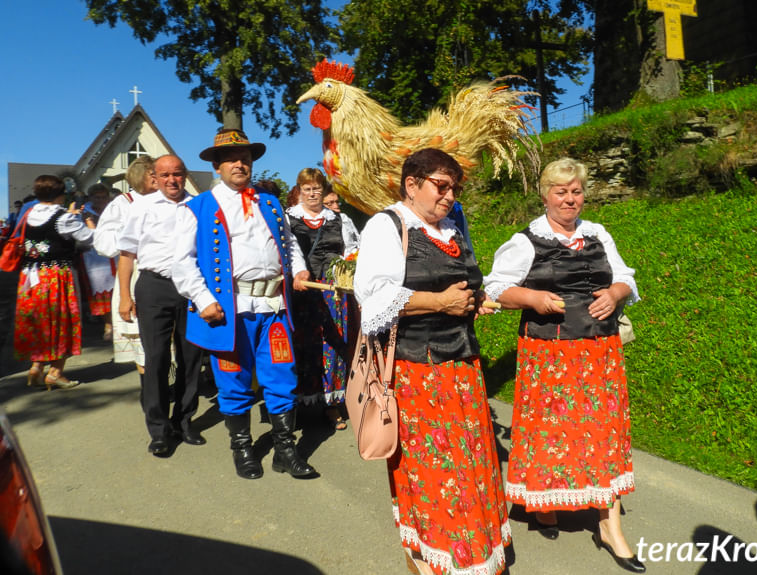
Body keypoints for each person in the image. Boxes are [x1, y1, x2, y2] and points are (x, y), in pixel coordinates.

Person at [353, 148, 510, 575]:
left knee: (473, 462)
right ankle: (438, 553)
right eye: (441, 185)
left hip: (463, 365)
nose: (449, 195)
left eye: (454, 187)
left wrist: (474, 301)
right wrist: (441, 301)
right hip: (418, 370)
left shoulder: (454, 225)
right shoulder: (387, 226)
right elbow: (374, 300)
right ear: (412, 184)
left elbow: (463, 283)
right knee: (439, 469)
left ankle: (474, 549)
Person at [483, 158, 644, 573]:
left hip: (599, 350)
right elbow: (497, 287)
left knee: (603, 430)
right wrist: (533, 299)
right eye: (561, 192)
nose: (570, 199)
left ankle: (610, 525)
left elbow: (625, 275)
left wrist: (616, 291)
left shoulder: (597, 233)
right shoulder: (526, 240)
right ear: (545, 195)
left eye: (576, 192)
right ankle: (543, 504)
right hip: (549, 353)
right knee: (551, 430)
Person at [173, 128, 316, 480]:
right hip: (230, 311)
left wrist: (298, 270)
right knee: (234, 381)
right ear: (217, 166)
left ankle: (285, 450)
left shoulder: (269, 202)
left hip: (274, 309)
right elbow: (181, 261)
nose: (241, 163)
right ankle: (242, 448)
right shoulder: (197, 207)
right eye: (232, 159)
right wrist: (203, 299)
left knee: (282, 376)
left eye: (246, 158)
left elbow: (290, 244)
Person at [117, 155, 203, 458]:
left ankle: (184, 420)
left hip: (191, 289)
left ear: (184, 175)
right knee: (156, 359)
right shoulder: (141, 207)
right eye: (165, 175)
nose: (172, 181)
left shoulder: (198, 205)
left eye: (177, 174)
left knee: (191, 357)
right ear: (154, 176)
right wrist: (125, 296)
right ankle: (158, 428)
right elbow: (126, 253)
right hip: (154, 286)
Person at [288, 168, 359, 429]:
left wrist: (347, 274)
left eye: (316, 188)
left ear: (323, 190)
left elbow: (352, 252)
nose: (312, 193)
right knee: (304, 345)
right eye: (307, 188)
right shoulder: (288, 219)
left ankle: (332, 404)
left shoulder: (340, 220)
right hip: (302, 291)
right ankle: (303, 404)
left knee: (333, 346)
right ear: (299, 190)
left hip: (333, 294)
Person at [14, 175, 95, 389]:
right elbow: (89, 238)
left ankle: (36, 367)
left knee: (40, 322)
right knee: (63, 320)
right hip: (57, 275)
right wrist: (88, 221)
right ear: (61, 194)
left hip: (31, 277)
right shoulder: (63, 217)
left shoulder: (29, 214)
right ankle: (56, 372)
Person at [93, 156, 157, 373]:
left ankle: (167, 381)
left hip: (168, 273)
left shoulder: (169, 199)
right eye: (154, 173)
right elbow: (103, 244)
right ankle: (150, 385)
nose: (160, 178)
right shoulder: (123, 203)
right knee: (140, 334)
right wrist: (132, 234)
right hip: (134, 271)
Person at [81, 183, 115, 341]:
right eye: (97, 197)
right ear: (91, 198)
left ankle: (118, 323)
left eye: (103, 197)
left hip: (115, 254)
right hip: (95, 258)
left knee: (118, 291)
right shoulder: (84, 213)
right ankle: (108, 324)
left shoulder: (114, 210)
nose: (101, 200)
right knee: (102, 292)